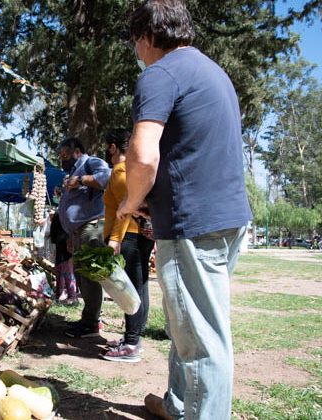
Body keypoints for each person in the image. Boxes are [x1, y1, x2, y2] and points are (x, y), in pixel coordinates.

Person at [117, 1, 252, 418]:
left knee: (201, 337)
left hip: (194, 224)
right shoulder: (211, 71)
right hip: (226, 217)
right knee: (188, 323)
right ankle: (179, 404)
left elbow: (142, 155)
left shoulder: (160, 73)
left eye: (135, 45)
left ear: (146, 38)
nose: (137, 54)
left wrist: (131, 202)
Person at [100, 128, 155, 363]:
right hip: (136, 237)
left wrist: (114, 240)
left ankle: (131, 343)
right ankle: (134, 339)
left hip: (128, 237)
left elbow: (124, 210)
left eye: (107, 146)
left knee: (130, 289)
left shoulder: (121, 172)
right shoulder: (130, 172)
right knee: (139, 288)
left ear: (113, 147)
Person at [56, 137, 111, 338]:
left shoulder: (91, 162)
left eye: (64, 154)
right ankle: (89, 319)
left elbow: (107, 177)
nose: (62, 158)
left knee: (90, 276)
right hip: (79, 230)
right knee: (82, 275)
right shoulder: (72, 172)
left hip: (92, 226)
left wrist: (80, 180)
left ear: (76, 151)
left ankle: (92, 323)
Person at [49, 211, 77, 304]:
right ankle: (70, 295)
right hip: (69, 243)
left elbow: (53, 232)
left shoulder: (58, 213)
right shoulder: (71, 212)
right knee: (68, 269)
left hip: (61, 243)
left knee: (62, 269)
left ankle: (63, 294)